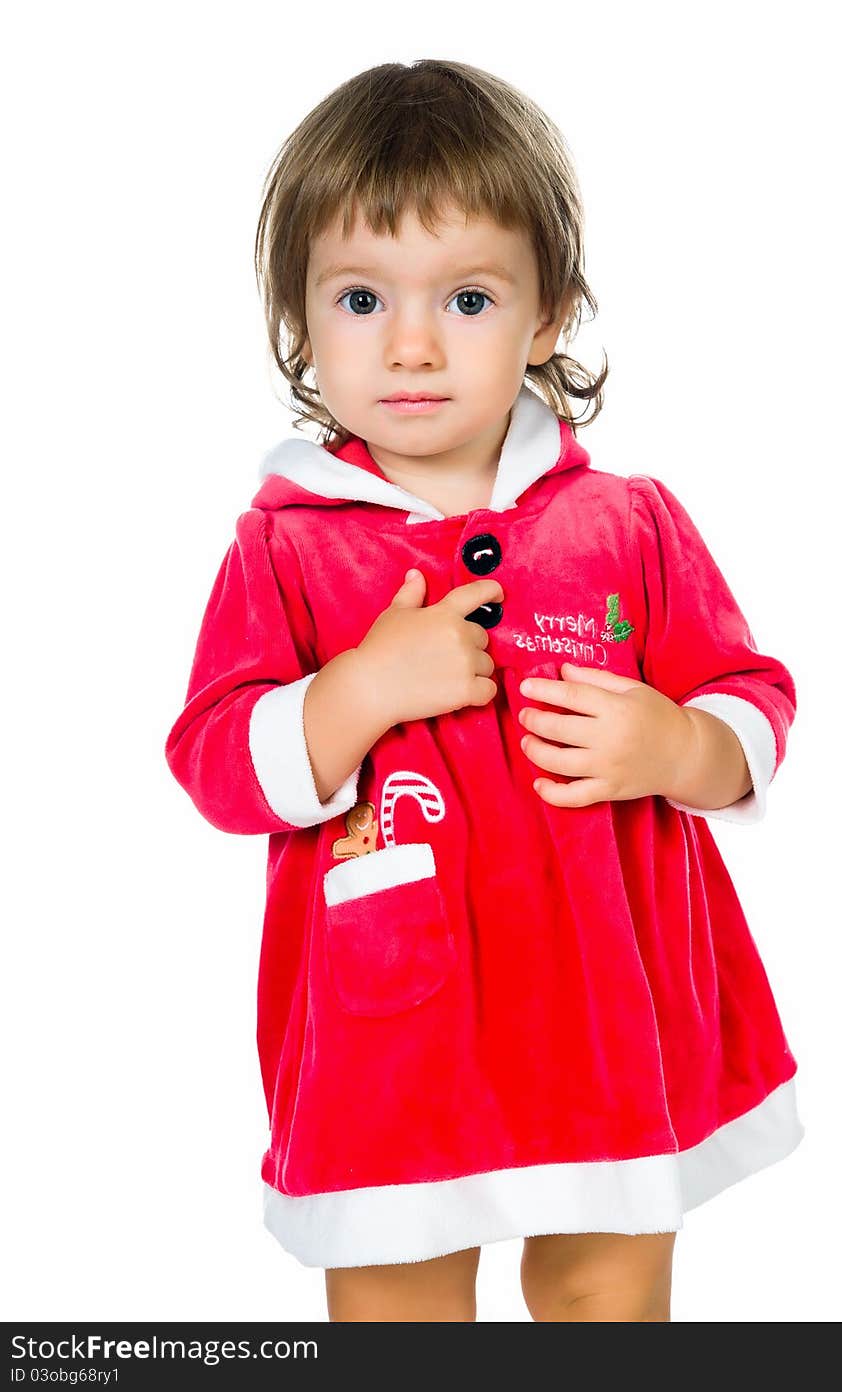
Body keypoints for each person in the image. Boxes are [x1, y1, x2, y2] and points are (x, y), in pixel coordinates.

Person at [164, 58, 804, 1323]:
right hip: (389, 1042)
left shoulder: (625, 523)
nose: (409, 344)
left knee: (604, 1287)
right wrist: (354, 692)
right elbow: (218, 762)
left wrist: (681, 747)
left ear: (547, 317)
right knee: (399, 1294)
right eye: (359, 297)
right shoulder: (285, 546)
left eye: (465, 297)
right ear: (301, 320)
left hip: (606, 1027)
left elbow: (752, 695)